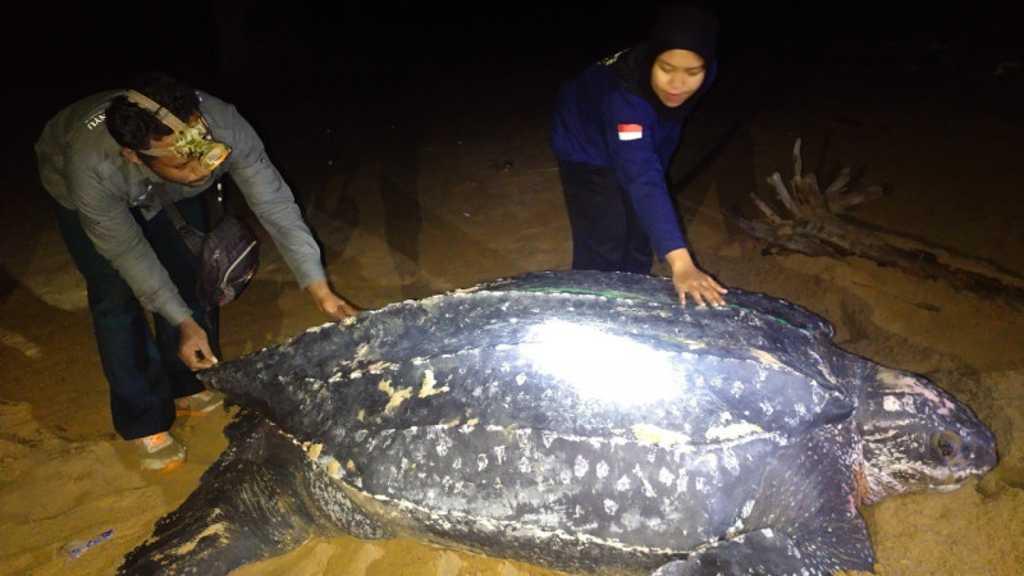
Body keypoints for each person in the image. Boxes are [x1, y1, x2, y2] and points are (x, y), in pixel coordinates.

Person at [34, 72, 357, 471]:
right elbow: (128, 251)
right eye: (185, 160)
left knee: (190, 270)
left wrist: (318, 287)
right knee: (114, 294)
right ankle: (143, 419)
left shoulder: (220, 124)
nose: (202, 169)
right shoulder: (93, 166)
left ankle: (187, 383)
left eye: (204, 151)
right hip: (75, 182)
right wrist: (182, 321)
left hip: (166, 185)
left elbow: (274, 204)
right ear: (135, 155)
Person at [550, 2, 728, 307]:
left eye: (691, 72)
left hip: (641, 134)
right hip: (585, 140)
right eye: (666, 69)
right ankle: (589, 311)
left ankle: (632, 303)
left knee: (639, 235)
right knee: (604, 239)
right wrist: (682, 263)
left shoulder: (706, 72)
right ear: (650, 61)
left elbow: (655, 148)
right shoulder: (624, 99)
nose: (678, 84)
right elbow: (641, 175)